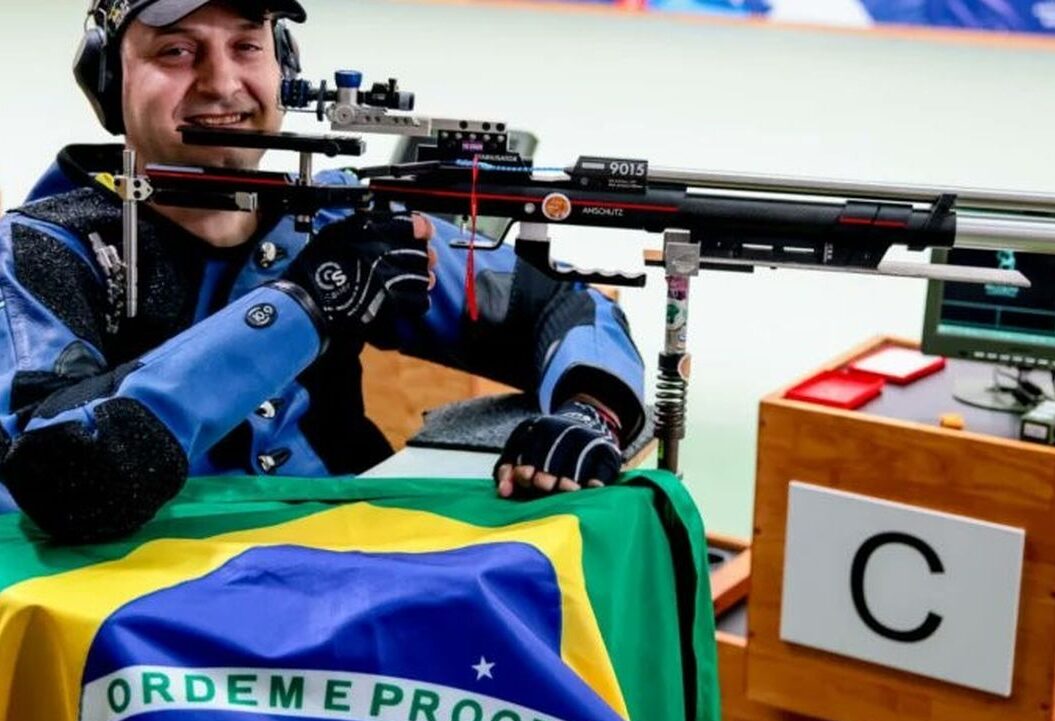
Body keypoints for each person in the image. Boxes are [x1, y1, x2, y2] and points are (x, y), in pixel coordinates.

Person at [0, 0, 645, 542]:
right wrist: (303, 306)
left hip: (344, 572)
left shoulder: (335, 215)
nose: (223, 84)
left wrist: (588, 413)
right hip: (145, 618)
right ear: (109, 79)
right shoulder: (42, 251)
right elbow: (57, 470)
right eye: (176, 51)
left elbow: (564, 308)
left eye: (248, 48)